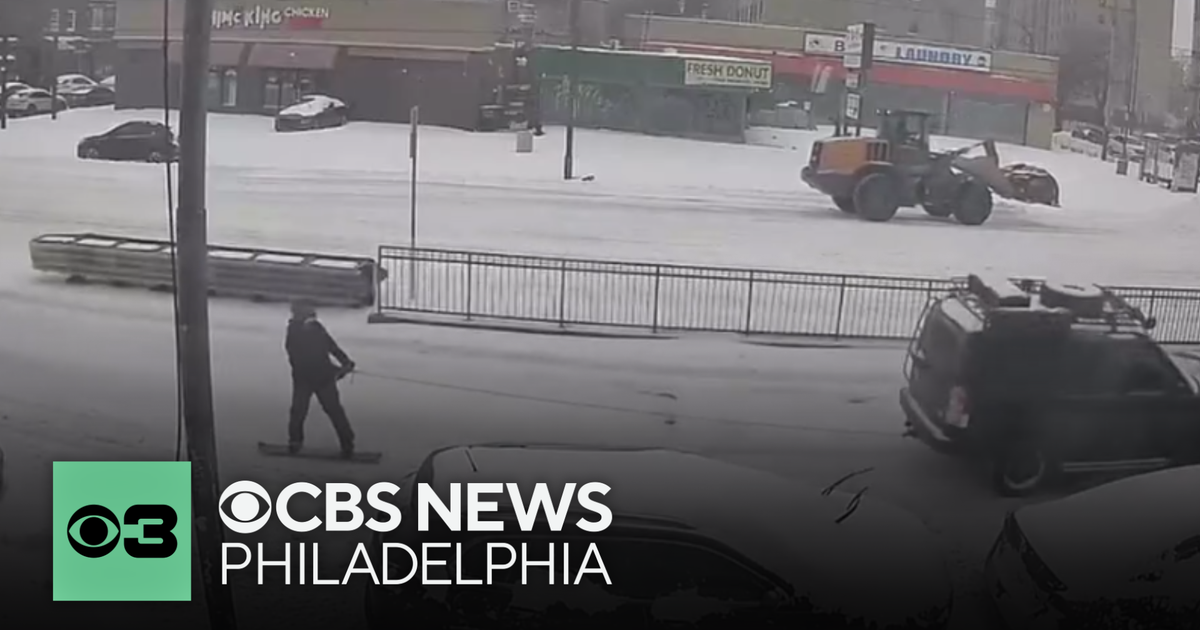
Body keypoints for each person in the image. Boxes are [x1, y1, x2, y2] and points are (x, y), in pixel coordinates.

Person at [285, 299, 356, 457]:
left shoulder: (316, 328)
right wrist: (335, 369)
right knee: (301, 411)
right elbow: (297, 357)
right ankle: (295, 442)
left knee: (331, 410)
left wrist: (345, 362)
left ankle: (347, 443)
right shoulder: (294, 331)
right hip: (308, 378)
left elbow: (331, 346)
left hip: (319, 378)